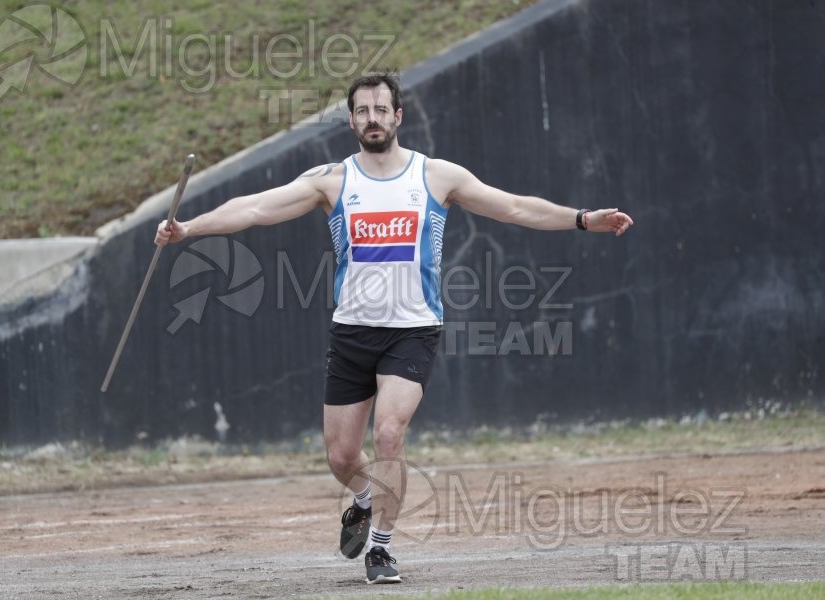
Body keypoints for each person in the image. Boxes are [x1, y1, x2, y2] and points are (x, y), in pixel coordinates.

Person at [155, 72, 634, 584]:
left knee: (388, 434)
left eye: (381, 110)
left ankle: (381, 548)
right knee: (341, 456)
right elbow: (252, 208)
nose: (372, 119)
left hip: (412, 330)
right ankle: (362, 499)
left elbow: (515, 206)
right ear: (351, 120)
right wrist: (189, 228)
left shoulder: (436, 177)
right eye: (362, 111)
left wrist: (583, 219)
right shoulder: (332, 181)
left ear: (398, 116)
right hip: (352, 332)